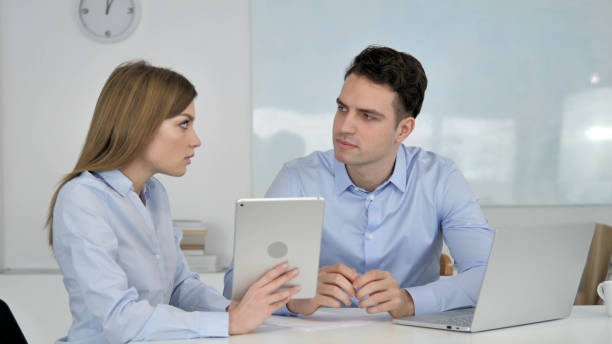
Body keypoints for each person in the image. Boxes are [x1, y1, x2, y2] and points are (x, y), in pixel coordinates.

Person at [224, 45, 494, 318]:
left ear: (403, 129)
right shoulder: (298, 178)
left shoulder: (440, 178)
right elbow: (236, 284)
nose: (344, 126)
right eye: (342, 108)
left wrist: (408, 300)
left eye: (367, 116)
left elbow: (486, 274)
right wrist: (297, 298)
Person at [47, 61, 300, 343]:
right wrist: (228, 322)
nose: (196, 140)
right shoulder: (83, 199)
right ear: (139, 124)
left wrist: (233, 309)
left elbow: (180, 287)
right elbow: (118, 319)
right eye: (183, 124)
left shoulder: (155, 194)